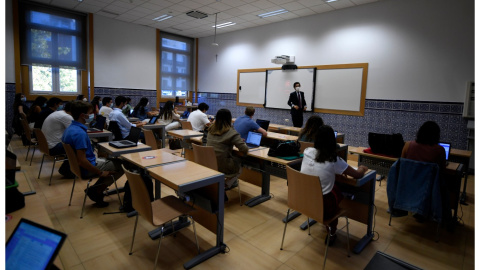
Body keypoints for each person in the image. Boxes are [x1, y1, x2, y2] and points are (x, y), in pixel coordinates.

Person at [300, 125, 367, 246]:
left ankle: (320, 219)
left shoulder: (307, 151)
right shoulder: (333, 159)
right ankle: (332, 233)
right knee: (336, 190)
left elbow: (318, 169)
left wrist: (332, 174)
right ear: (333, 141)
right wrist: (362, 168)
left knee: (333, 187)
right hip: (323, 206)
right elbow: (357, 175)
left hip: (304, 201)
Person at [62, 101, 124, 207]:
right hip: (87, 167)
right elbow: (82, 161)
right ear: (83, 115)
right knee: (123, 165)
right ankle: (96, 191)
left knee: (111, 161)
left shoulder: (70, 129)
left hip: (75, 167)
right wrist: (100, 172)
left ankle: (96, 189)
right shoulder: (79, 134)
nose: (93, 115)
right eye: (91, 113)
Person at [207, 108, 248, 189]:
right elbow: (244, 149)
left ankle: (224, 183)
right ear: (229, 119)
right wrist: (239, 141)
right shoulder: (232, 132)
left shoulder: (210, 129)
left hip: (209, 163)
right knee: (240, 165)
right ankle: (225, 185)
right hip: (223, 165)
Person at [42, 102, 75, 178]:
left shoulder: (58, 113)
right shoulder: (66, 117)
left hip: (46, 146)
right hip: (54, 147)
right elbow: (75, 132)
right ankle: (67, 170)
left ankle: (67, 169)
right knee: (80, 146)